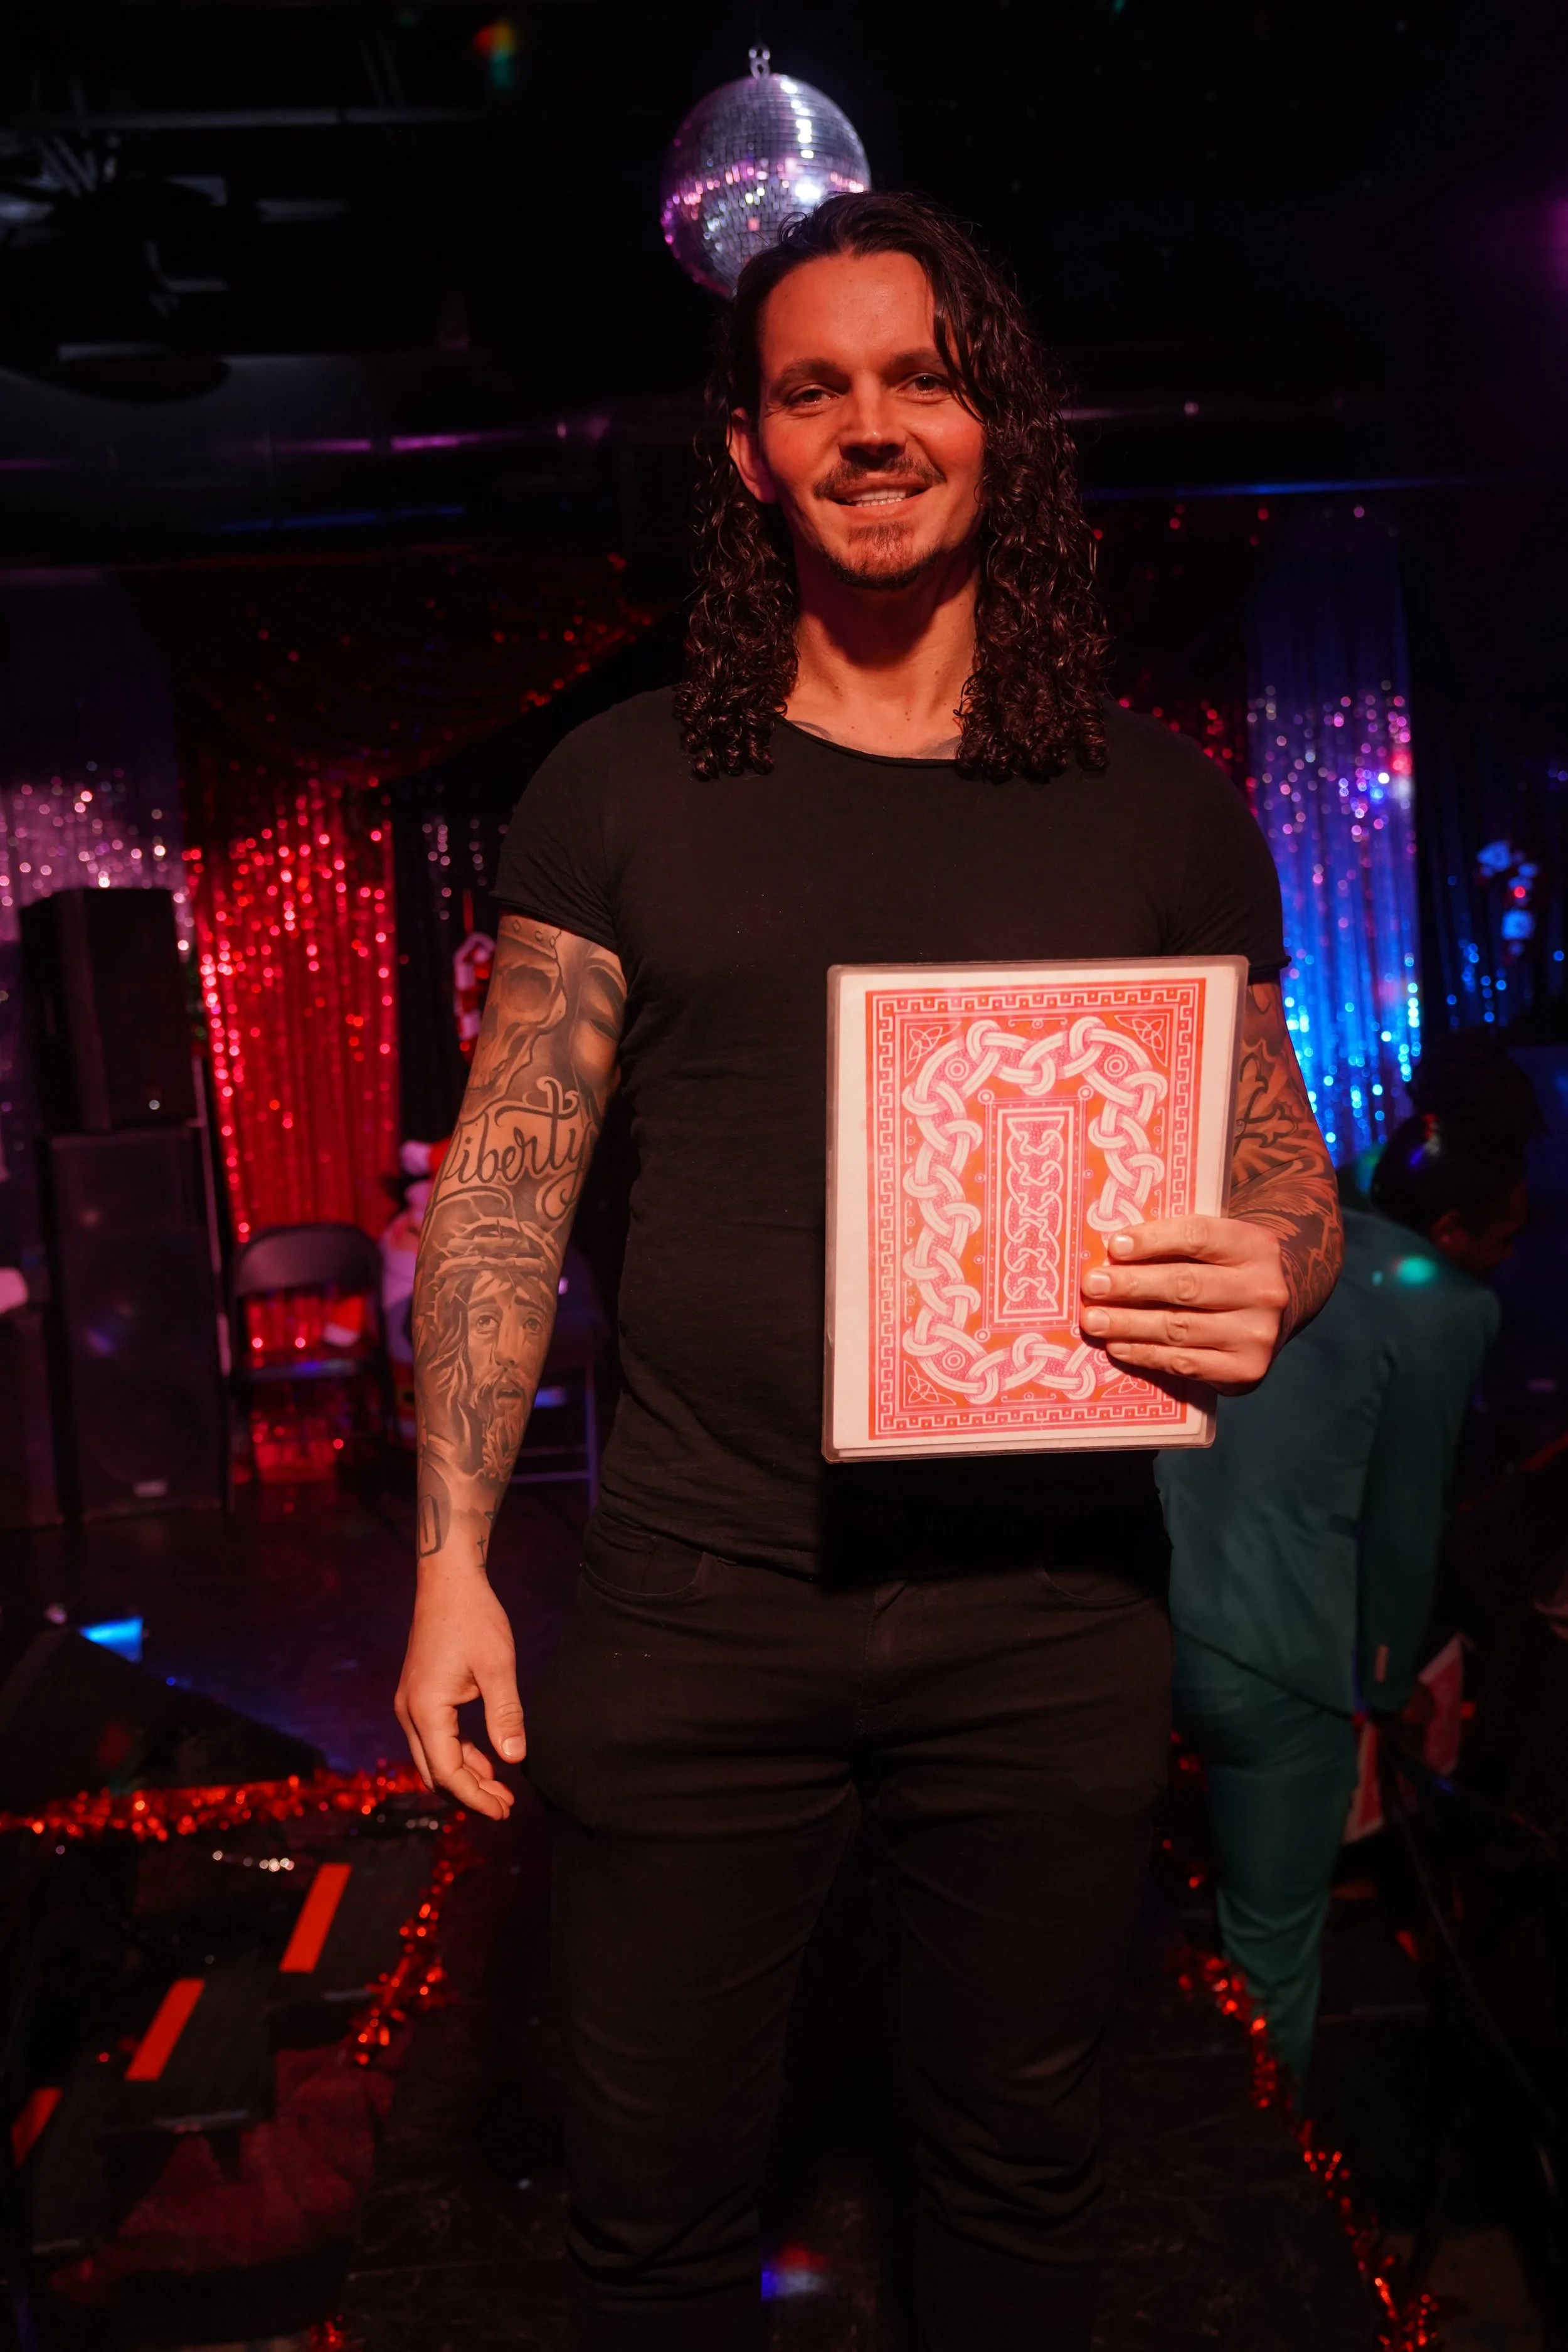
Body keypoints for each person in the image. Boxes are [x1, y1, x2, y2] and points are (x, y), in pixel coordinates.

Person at [395, 191, 1340, 2352]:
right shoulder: (625, 785)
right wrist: (451, 1551)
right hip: (703, 1608)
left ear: (998, 419)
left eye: (921, 375)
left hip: (1051, 1613)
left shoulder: (1163, 805)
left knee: (1019, 2177)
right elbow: (509, 1186)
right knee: (648, 2220)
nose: (871, 423)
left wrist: (1279, 1268)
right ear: (746, 452)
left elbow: (1278, 1158)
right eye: (812, 388)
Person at [1157, 1032, 1539, 2097]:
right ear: (1457, 1226)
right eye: (1510, 1234)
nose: (1514, 1255)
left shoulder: (1294, 1234)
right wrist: (1383, 1681)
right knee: (1273, 1939)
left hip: (1147, 1613)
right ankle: (1285, 2207)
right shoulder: (1452, 1308)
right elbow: (1406, 1517)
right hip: (1278, 1659)